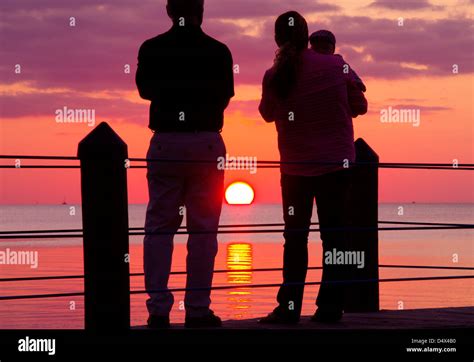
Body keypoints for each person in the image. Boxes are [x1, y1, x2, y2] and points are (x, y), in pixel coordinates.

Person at [258, 11, 367, 324]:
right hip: (337, 166)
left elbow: (267, 114)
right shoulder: (338, 64)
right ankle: (331, 307)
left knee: (295, 238)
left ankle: (289, 308)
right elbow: (360, 105)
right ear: (307, 36)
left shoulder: (274, 74)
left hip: (295, 171)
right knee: (335, 237)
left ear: (278, 39)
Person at [136, 0, 234, 328]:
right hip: (206, 140)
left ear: (169, 11)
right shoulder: (219, 51)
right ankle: (197, 308)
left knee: (160, 228)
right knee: (203, 230)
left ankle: (159, 309)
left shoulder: (151, 47)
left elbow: (144, 89)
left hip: (166, 140)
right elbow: (225, 96)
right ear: (201, 11)